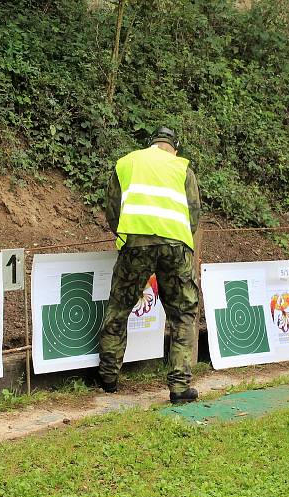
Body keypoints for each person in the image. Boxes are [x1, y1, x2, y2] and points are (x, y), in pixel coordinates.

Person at [98, 127, 201, 404]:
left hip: (136, 243)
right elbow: (193, 213)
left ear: (150, 144)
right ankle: (179, 387)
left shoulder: (127, 163)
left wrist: (125, 234)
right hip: (176, 245)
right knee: (182, 313)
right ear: (174, 148)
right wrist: (180, 238)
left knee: (119, 307)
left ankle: (108, 378)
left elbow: (112, 208)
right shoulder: (182, 168)